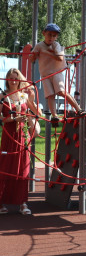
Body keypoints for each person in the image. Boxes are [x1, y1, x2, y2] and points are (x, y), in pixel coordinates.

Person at [0, 69, 41, 215]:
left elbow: (38, 113)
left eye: (16, 78)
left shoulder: (24, 95)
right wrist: (12, 119)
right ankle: (1, 202)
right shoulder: (3, 96)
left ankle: (23, 203)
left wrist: (32, 99)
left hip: (23, 136)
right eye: (10, 78)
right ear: (7, 79)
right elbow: (0, 118)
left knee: (23, 168)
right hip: (9, 136)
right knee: (6, 167)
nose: (13, 81)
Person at [29, 23, 82, 124]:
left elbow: (60, 58)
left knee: (61, 92)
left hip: (56, 72)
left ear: (56, 37)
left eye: (54, 36)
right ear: (44, 33)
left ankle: (78, 109)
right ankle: (54, 116)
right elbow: (32, 59)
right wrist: (34, 55)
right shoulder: (39, 46)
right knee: (50, 95)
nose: (51, 38)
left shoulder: (56, 45)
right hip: (45, 74)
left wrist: (46, 52)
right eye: (49, 35)